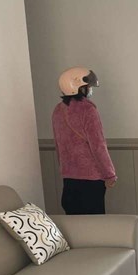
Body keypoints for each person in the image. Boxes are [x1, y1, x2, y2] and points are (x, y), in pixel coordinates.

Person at [52, 67, 117, 215]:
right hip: (91, 180)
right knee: (94, 224)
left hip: (68, 179)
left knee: (74, 223)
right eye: (88, 86)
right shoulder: (88, 110)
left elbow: (58, 145)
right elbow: (98, 145)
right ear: (79, 87)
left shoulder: (58, 110)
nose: (90, 90)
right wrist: (110, 174)